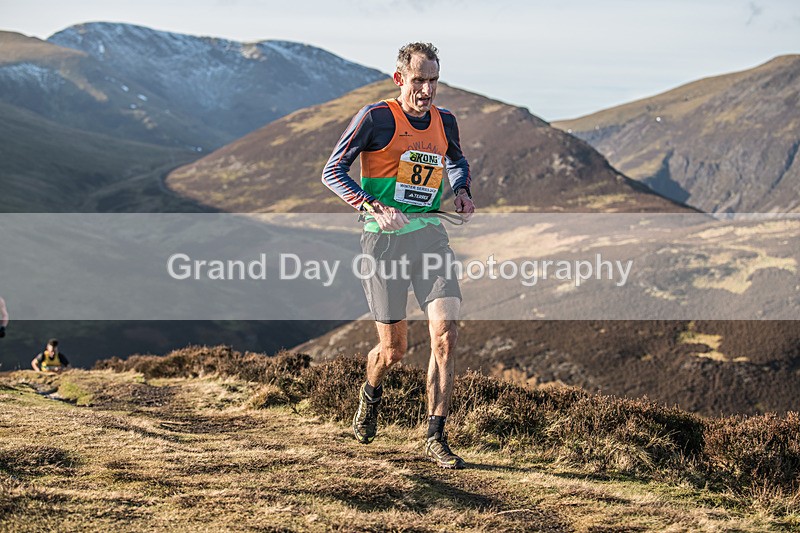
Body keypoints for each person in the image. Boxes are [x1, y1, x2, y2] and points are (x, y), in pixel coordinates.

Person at [322, 42, 475, 469]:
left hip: (429, 235)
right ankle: (370, 395)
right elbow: (332, 170)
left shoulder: (445, 121)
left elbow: (457, 161)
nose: (427, 90)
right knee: (394, 350)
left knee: (445, 334)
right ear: (399, 79)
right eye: (418, 80)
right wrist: (372, 206)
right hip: (383, 241)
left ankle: (435, 436)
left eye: (433, 80)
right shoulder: (376, 117)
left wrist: (461, 191)